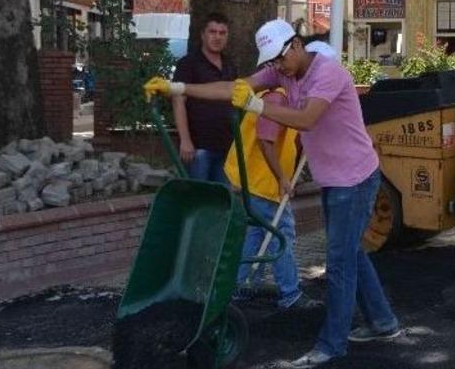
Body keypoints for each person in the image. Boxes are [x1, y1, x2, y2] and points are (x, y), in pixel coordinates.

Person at [143, 19, 399, 368]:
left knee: (338, 263)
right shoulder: (282, 72)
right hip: (333, 177)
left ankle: (331, 346)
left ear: (295, 45)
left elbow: (306, 119)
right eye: (271, 63)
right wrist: (177, 88)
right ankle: (383, 322)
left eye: (280, 59)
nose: (276, 67)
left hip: (355, 178)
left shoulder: (329, 73)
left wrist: (258, 106)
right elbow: (232, 88)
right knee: (350, 253)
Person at [224, 86, 321, 313]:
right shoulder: (278, 98)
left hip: (253, 180)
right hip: (263, 182)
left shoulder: (278, 95)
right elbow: (265, 140)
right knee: (282, 234)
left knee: (255, 235)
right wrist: (282, 179)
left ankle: (242, 286)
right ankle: (290, 293)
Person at [172, 12, 237, 182]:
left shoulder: (230, 64)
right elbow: (178, 101)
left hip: (226, 146)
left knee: (222, 200)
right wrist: (185, 140)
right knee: (199, 199)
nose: (217, 37)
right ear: (202, 34)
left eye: (222, 33)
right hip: (198, 147)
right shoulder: (188, 64)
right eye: (212, 32)